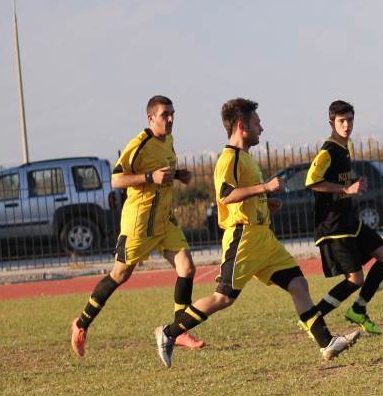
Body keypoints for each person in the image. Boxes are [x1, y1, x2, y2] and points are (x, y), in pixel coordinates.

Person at [153, 98, 360, 367]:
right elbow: (225, 195)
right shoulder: (229, 158)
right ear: (242, 126)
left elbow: (244, 195)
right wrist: (264, 188)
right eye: (257, 123)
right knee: (223, 298)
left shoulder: (246, 158)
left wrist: (265, 202)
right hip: (244, 239)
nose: (261, 128)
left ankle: (326, 343)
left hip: (264, 239)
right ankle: (168, 333)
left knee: (298, 284)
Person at [70, 95, 206, 356]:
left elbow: (162, 172)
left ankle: (178, 331)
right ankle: (81, 323)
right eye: (165, 115)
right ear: (151, 118)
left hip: (163, 220)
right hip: (139, 222)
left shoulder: (169, 140)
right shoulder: (139, 145)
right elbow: (116, 180)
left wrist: (179, 175)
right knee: (120, 275)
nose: (170, 119)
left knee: (187, 268)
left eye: (173, 114)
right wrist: (149, 177)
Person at [304, 100, 383, 334]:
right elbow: (312, 181)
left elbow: (339, 180)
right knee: (355, 279)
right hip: (333, 226)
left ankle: (358, 309)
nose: (347, 125)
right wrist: (346, 188)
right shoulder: (328, 150)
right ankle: (312, 318)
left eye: (350, 120)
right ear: (331, 122)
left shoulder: (346, 147)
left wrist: (354, 183)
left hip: (350, 221)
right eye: (341, 121)